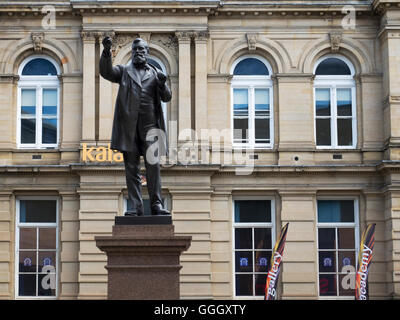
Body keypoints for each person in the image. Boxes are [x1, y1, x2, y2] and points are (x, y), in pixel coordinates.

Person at [99, 36, 171, 216]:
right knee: (131, 168)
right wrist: (107, 52)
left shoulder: (155, 73)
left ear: (147, 53)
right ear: (132, 53)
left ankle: (156, 204)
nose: (139, 52)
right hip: (128, 127)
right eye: (136, 49)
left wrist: (162, 83)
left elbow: (167, 97)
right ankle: (135, 207)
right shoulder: (124, 71)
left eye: (142, 49)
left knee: (153, 167)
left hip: (151, 127)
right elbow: (106, 72)